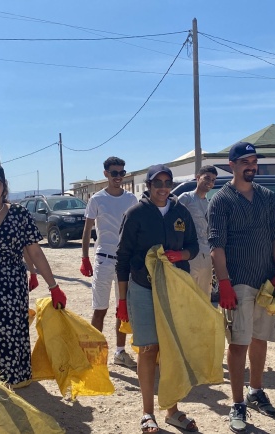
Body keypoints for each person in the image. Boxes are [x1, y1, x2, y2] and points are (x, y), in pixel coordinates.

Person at [0, 162, 67, 388]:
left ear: (4, 187)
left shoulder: (19, 214)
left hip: (13, 286)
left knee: (12, 335)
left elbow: (35, 252)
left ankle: (12, 384)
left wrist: (54, 286)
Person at [207, 142, 275, 433]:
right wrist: (224, 283)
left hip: (266, 282)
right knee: (238, 342)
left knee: (260, 339)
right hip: (238, 281)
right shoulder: (221, 200)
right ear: (232, 165)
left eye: (254, 161)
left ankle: (256, 391)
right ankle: (238, 403)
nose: (251, 166)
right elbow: (217, 246)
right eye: (245, 161)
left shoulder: (267, 197)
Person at [115, 164, 200, 433]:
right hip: (142, 288)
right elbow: (123, 258)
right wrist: (121, 300)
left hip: (174, 291)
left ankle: (172, 411)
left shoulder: (181, 212)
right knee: (149, 349)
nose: (163, 188)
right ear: (148, 186)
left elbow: (194, 247)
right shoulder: (135, 214)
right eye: (157, 183)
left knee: (172, 349)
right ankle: (147, 412)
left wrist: (181, 256)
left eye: (167, 182)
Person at [80, 157, 138, 368]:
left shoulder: (131, 199)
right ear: (105, 174)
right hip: (104, 260)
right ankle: (94, 355)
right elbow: (87, 230)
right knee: (100, 309)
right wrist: (85, 257)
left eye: (122, 173)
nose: (118, 177)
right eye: (114, 173)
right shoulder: (97, 199)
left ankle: (120, 352)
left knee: (122, 309)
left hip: (125, 261)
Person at [177, 165, 217, 298]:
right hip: (189, 254)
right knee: (188, 295)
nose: (210, 182)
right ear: (198, 177)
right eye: (207, 178)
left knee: (205, 295)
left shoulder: (209, 204)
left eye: (213, 180)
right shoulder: (186, 198)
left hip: (206, 255)